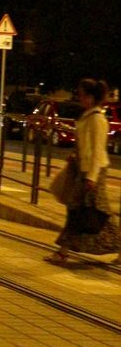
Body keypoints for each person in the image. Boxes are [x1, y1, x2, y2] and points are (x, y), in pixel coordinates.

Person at [49, 78, 120, 265]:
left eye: (80, 94)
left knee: (98, 213)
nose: (78, 97)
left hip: (92, 173)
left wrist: (91, 177)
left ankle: (63, 252)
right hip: (85, 171)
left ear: (89, 97)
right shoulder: (88, 116)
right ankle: (63, 251)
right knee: (81, 211)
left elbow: (98, 150)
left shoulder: (97, 119)